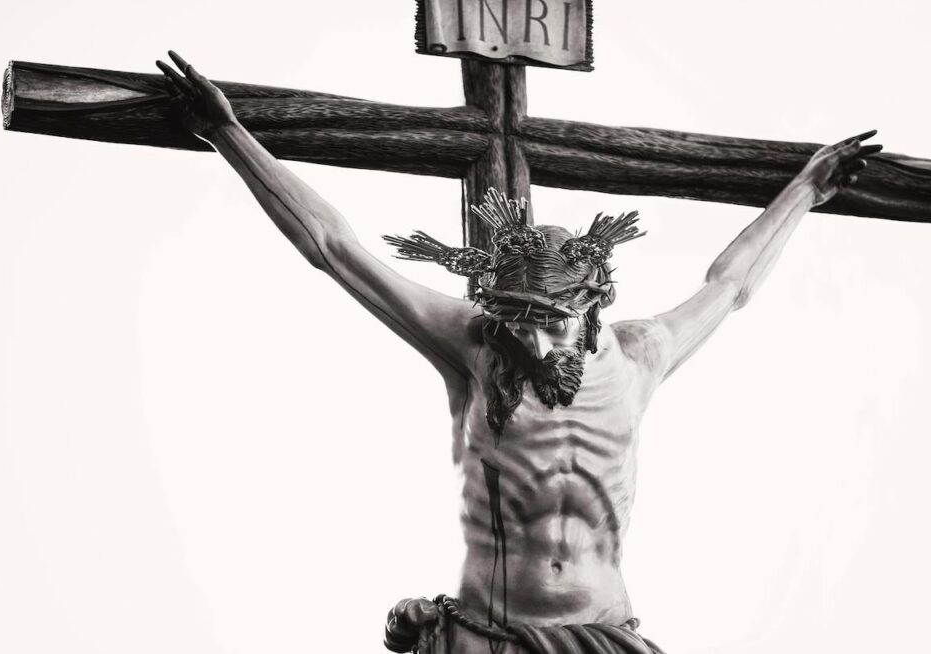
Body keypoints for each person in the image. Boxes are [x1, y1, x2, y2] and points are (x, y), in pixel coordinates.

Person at [156, 51, 881, 654]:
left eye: (551, 321)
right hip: (490, 634)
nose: (532, 339)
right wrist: (227, 134)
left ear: (592, 305)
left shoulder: (641, 355)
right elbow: (336, 249)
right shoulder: (473, 347)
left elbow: (731, 285)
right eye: (516, 320)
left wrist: (805, 191)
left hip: (602, 635)